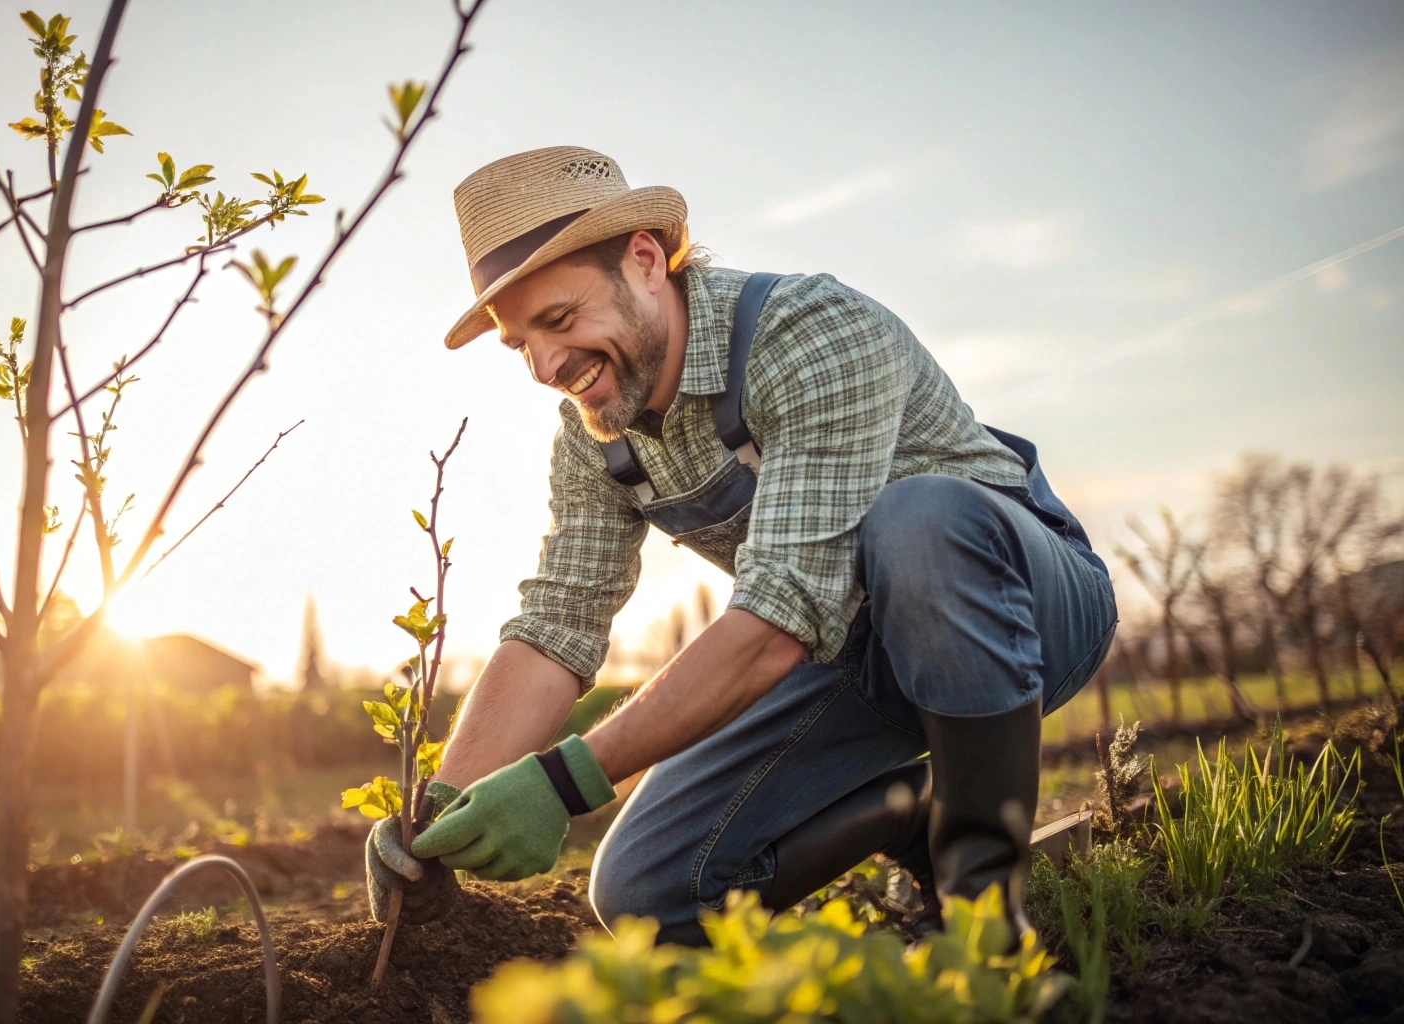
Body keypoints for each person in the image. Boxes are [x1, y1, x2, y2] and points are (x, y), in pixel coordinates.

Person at [366, 146, 1117, 945]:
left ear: (646, 260)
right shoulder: (595, 438)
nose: (547, 365)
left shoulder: (810, 332)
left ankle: (985, 917)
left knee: (919, 520)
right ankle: (917, 818)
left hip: (1025, 614)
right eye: (520, 343)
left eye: (559, 320)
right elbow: (558, 623)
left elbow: (776, 619)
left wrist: (565, 781)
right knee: (645, 892)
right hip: (848, 656)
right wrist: (439, 806)